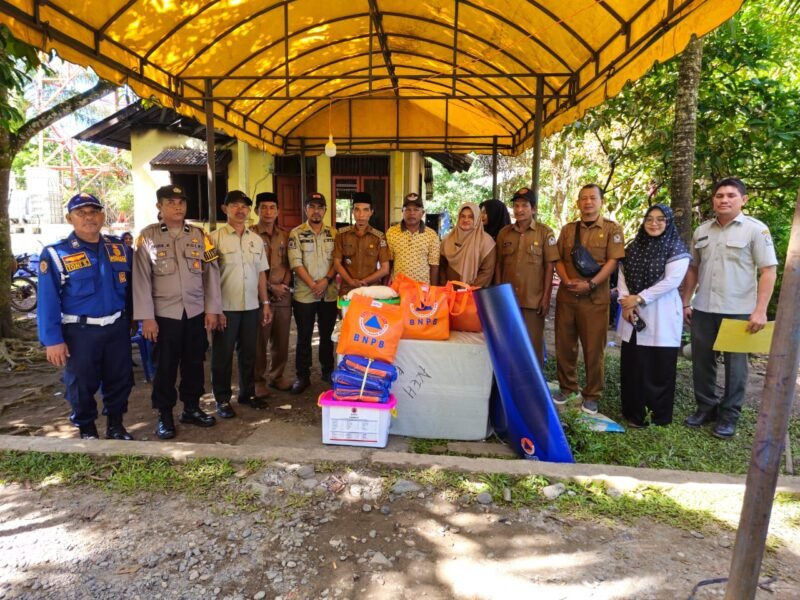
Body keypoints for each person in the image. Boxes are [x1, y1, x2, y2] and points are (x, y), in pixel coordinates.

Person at [681, 177, 777, 439]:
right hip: (704, 308)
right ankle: (706, 408)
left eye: (731, 195)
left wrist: (760, 310)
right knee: (702, 362)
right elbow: (693, 268)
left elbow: (768, 271)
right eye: (719, 195)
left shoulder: (756, 230)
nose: (724, 200)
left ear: (743, 200)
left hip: (738, 310)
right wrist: (686, 300)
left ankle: (729, 416)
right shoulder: (703, 231)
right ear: (714, 199)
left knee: (736, 367)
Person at [38, 192, 134, 440]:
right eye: (81, 213)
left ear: (102, 216)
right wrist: (52, 340)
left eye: (93, 212)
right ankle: (87, 429)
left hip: (116, 328)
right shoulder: (56, 254)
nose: (89, 218)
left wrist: (133, 320)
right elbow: (48, 301)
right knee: (81, 384)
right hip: (80, 332)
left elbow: (133, 289)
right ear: (70, 218)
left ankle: (116, 425)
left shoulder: (119, 248)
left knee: (120, 379)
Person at [133, 184, 222, 439]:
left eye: (181, 202)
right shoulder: (147, 237)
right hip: (164, 314)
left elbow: (211, 274)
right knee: (165, 367)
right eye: (170, 202)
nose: (177, 206)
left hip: (194, 311)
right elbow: (141, 280)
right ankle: (164, 414)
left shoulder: (200, 235)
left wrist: (212, 309)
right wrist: (146, 318)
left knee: (194, 363)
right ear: (159, 207)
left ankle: (191, 408)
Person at [553, 184, 625, 414]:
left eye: (592, 198)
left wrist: (591, 284)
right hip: (568, 296)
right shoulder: (567, 230)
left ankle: (592, 394)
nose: (588, 202)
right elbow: (558, 260)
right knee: (565, 345)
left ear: (601, 201)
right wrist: (566, 281)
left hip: (595, 299)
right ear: (578, 203)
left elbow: (613, 262)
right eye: (583, 198)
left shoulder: (612, 229)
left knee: (594, 349)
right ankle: (567, 387)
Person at [617, 204, 690, 427]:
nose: (654, 223)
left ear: (668, 222)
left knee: (657, 368)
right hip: (633, 314)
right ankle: (632, 412)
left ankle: (656, 416)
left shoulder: (676, 248)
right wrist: (626, 303)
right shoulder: (633, 247)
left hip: (661, 314)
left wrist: (638, 298)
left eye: (660, 219)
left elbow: (671, 282)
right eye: (649, 219)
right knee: (633, 365)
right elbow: (621, 276)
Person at [208, 190, 273, 418]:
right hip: (225, 307)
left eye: (244, 206)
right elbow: (209, 277)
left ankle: (247, 393)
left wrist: (265, 303)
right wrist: (215, 309)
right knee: (222, 356)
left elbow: (261, 274)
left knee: (249, 353)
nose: (240, 210)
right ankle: (223, 399)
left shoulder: (256, 240)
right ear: (225, 209)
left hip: (251, 306)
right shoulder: (214, 239)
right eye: (234, 205)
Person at [494, 188, 559, 366]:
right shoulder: (504, 233)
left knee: (532, 346)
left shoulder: (545, 233)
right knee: (508, 344)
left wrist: (545, 297)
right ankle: (511, 385)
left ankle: (533, 390)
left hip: (533, 301)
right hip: (509, 300)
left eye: (524, 205)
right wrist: (499, 295)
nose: (519, 210)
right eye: (516, 205)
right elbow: (499, 265)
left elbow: (549, 267)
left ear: (534, 209)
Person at [287, 192, 338, 394]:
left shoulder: (334, 234)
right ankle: (303, 375)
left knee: (327, 335)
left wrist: (325, 282)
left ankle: (327, 371)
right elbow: (295, 262)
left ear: (325, 210)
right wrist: (313, 284)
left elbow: (337, 261)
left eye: (320, 207)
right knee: (304, 335)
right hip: (304, 294)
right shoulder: (296, 233)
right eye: (312, 206)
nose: (316, 211)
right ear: (305, 209)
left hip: (329, 293)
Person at [251, 191, 294, 394]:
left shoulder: (285, 235)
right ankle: (258, 379)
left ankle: (277, 376)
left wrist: (283, 286)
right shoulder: (250, 235)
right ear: (256, 210)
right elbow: (251, 268)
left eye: (272, 207)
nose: (268, 211)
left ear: (278, 211)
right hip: (260, 296)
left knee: (281, 338)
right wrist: (270, 287)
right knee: (260, 340)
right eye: (263, 207)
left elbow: (290, 263)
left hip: (283, 295)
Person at [333, 191, 391, 296]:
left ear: (371, 212)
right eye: (357, 210)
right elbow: (337, 263)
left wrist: (364, 282)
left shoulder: (379, 237)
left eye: (365, 210)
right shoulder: (341, 235)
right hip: (347, 290)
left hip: (371, 291)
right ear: (352, 212)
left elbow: (385, 269)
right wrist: (351, 282)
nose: (361, 215)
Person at [385, 192, 440, 284]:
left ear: (422, 212)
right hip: (399, 287)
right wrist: (386, 283)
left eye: (416, 209)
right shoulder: (392, 232)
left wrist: (433, 289)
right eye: (408, 209)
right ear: (402, 211)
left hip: (422, 289)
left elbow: (434, 265)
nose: (412, 213)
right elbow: (389, 261)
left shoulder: (431, 235)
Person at [439, 201, 496, 287]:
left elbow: (487, 271)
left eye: (470, 217)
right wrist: (445, 285)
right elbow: (442, 265)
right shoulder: (448, 239)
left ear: (477, 219)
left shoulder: (486, 242)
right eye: (463, 216)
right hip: (449, 293)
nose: (466, 220)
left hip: (473, 294)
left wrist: (470, 290)